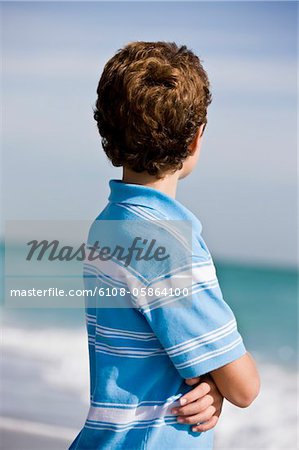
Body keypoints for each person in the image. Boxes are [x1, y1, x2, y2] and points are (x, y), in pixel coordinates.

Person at [69, 41, 260, 450]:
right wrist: (219, 386)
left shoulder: (109, 225)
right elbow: (245, 387)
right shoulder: (169, 244)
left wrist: (210, 383)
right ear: (195, 140)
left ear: (108, 134)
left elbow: (158, 343)